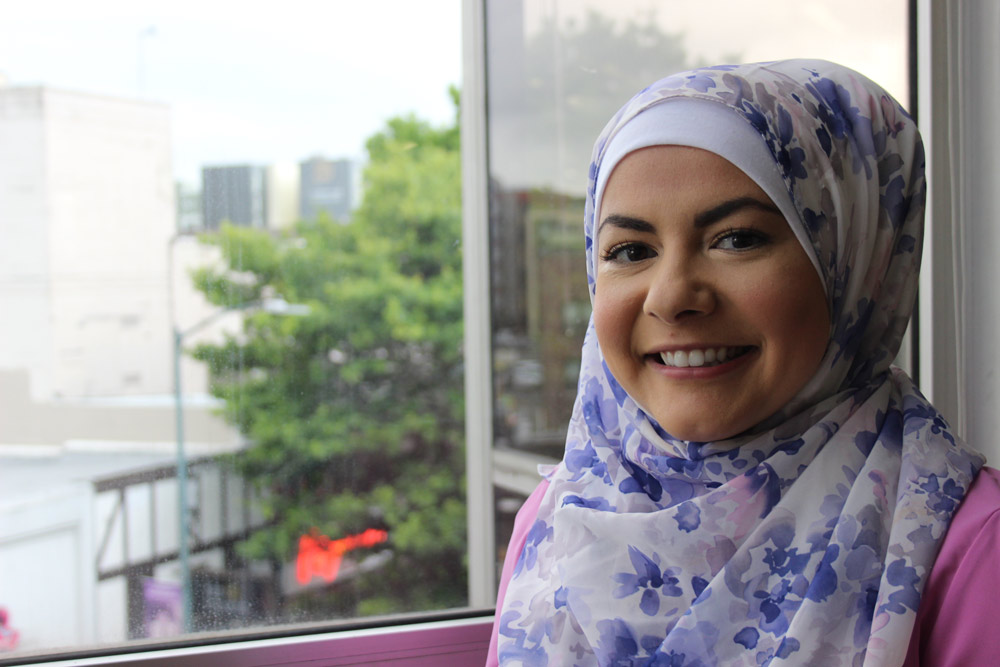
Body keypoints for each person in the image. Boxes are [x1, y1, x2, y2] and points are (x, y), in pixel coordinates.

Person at [488, 59, 1000, 666]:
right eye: (630, 250)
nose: (672, 296)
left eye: (736, 238)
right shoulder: (557, 523)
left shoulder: (965, 545)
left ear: (852, 263)